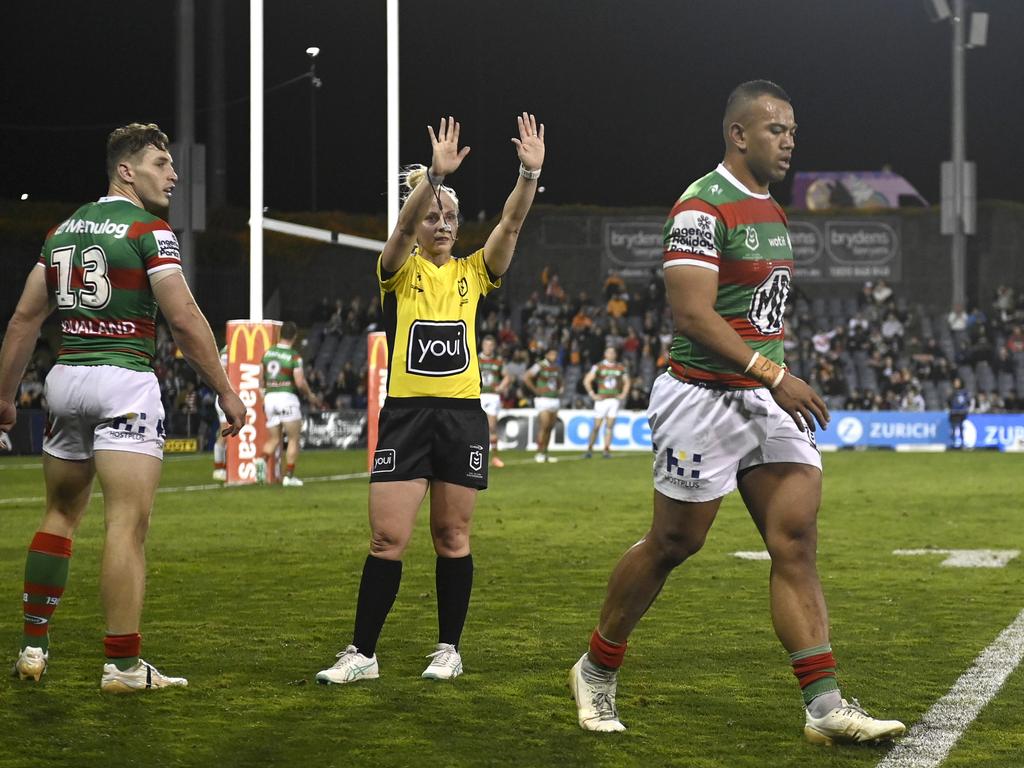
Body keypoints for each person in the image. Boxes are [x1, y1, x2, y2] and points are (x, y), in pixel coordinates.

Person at [568, 81, 905, 745]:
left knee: (796, 541)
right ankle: (596, 668)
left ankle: (825, 706)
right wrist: (773, 373)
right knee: (675, 543)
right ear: (739, 134)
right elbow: (693, 315)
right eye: (776, 128)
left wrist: (771, 375)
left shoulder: (772, 211)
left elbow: (759, 316)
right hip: (700, 396)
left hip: (761, 397)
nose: (789, 139)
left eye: (793, 129)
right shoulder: (702, 206)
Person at [0, 122, 245, 692]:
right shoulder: (149, 232)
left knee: (59, 514)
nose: (174, 174)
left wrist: (6, 399)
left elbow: (23, 320)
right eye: (162, 163)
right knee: (126, 525)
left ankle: (33, 649)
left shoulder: (61, 232)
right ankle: (124, 666)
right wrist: (225, 389)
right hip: (123, 380)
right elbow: (182, 318)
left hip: (64, 381)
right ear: (126, 171)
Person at [315, 113, 544, 685]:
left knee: (452, 537)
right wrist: (431, 181)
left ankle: (448, 648)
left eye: (450, 217)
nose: (442, 225)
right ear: (416, 221)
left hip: (462, 418)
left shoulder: (474, 272)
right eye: (433, 217)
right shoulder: (397, 270)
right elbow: (395, 238)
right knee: (387, 538)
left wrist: (528, 175)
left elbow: (511, 228)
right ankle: (362, 654)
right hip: (407, 416)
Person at [254, 321, 320, 487]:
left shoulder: (267, 353)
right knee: (293, 439)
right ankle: (288, 476)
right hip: (287, 398)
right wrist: (310, 395)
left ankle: (261, 461)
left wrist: (263, 396)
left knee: (274, 438)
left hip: (270, 398)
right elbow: (299, 382)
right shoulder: (294, 356)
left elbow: (260, 379)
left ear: (279, 334)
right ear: (295, 336)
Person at [583, 346, 630, 458]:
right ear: (605, 354)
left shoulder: (620, 367)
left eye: (613, 352)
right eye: (609, 352)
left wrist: (623, 394)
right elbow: (587, 380)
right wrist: (592, 394)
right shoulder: (598, 366)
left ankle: (606, 450)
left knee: (609, 426)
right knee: (596, 426)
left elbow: (627, 381)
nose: (611, 354)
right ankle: (590, 449)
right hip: (602, 400)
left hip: (614, 400)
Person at [524, 346, 564, 463]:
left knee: (550, 427)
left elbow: (560, 380)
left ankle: (545, 452)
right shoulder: (540, 365)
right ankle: (539, 452)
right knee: (544, 426)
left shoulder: (557, 367)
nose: (554, 357)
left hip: (554, 399)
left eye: (555, 355)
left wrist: (561, 388)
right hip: (543, 399)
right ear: (546, 355)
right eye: (552, 354)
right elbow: (527, 377)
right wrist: (535, 390)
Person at [478, 335, 512, 468]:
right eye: (486, 345)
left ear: (494, 347)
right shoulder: (476, 359)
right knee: (475, 428)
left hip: (492, 396)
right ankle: (475, 457)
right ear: (482, 346)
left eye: (491, 345)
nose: (488, 347)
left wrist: (501, 387)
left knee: (492, 427)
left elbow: (507, 377)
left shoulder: (498, 361)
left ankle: (495, 457)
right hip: (477, 395)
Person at [212, 343, 230, 481]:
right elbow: (222, 368)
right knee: (225, 433)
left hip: (230, 397)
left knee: (227, 434)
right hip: (226, 397)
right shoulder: (228, 350)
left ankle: (223, 467)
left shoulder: (228, 349)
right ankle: (218, 469)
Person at [948, 376, 972, 449]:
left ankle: (962, 443)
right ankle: (953, 443)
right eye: (955, 382)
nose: (956, 383)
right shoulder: (952, 392)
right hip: (954, 413)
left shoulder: (964, 392)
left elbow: (968, 402)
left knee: (961, 428)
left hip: (961, 413)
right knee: (953, 428)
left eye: (957, 382)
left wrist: (965, 409)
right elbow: (949, 402)